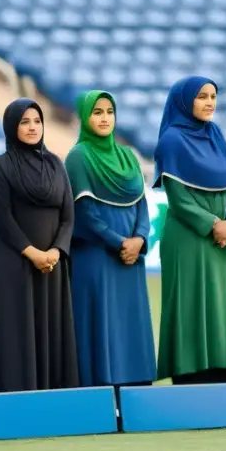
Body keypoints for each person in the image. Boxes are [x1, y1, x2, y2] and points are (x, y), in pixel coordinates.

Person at [0, 98, 79, 393]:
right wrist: (32, 253)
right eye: (24, 122)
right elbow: (2, 219)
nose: (33, 127)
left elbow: (68, 216)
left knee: (52, 330)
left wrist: (56, 252)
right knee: (16, 333)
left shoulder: (56, 164)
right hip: (14, 265)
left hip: (51, 266)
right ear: (11, 126)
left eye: (37, 121)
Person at [154, 76, 226, 385]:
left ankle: (222, 375)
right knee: (191, 306)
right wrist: (213, 225)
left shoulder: (216, 135)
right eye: (202, 97)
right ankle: (190, 382)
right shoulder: (171, 140)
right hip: (189, 238)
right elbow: (179, 200)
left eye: (213, 96)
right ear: (184, 101)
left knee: (222, 308)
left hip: (223, 240)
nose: (210, 102)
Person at [65, 90, 155, 388]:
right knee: (102, 324)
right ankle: (104, 396)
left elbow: (142, 204)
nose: (105, 118)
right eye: (97, 112)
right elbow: (86, 214)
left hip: (131, 258)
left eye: (109, 112)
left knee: (130, 322)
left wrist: (139, 239)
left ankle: (136, 391)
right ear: (85, 117)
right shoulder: (78, 157)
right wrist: (120, 243)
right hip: (97, 256)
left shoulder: (128, 156)